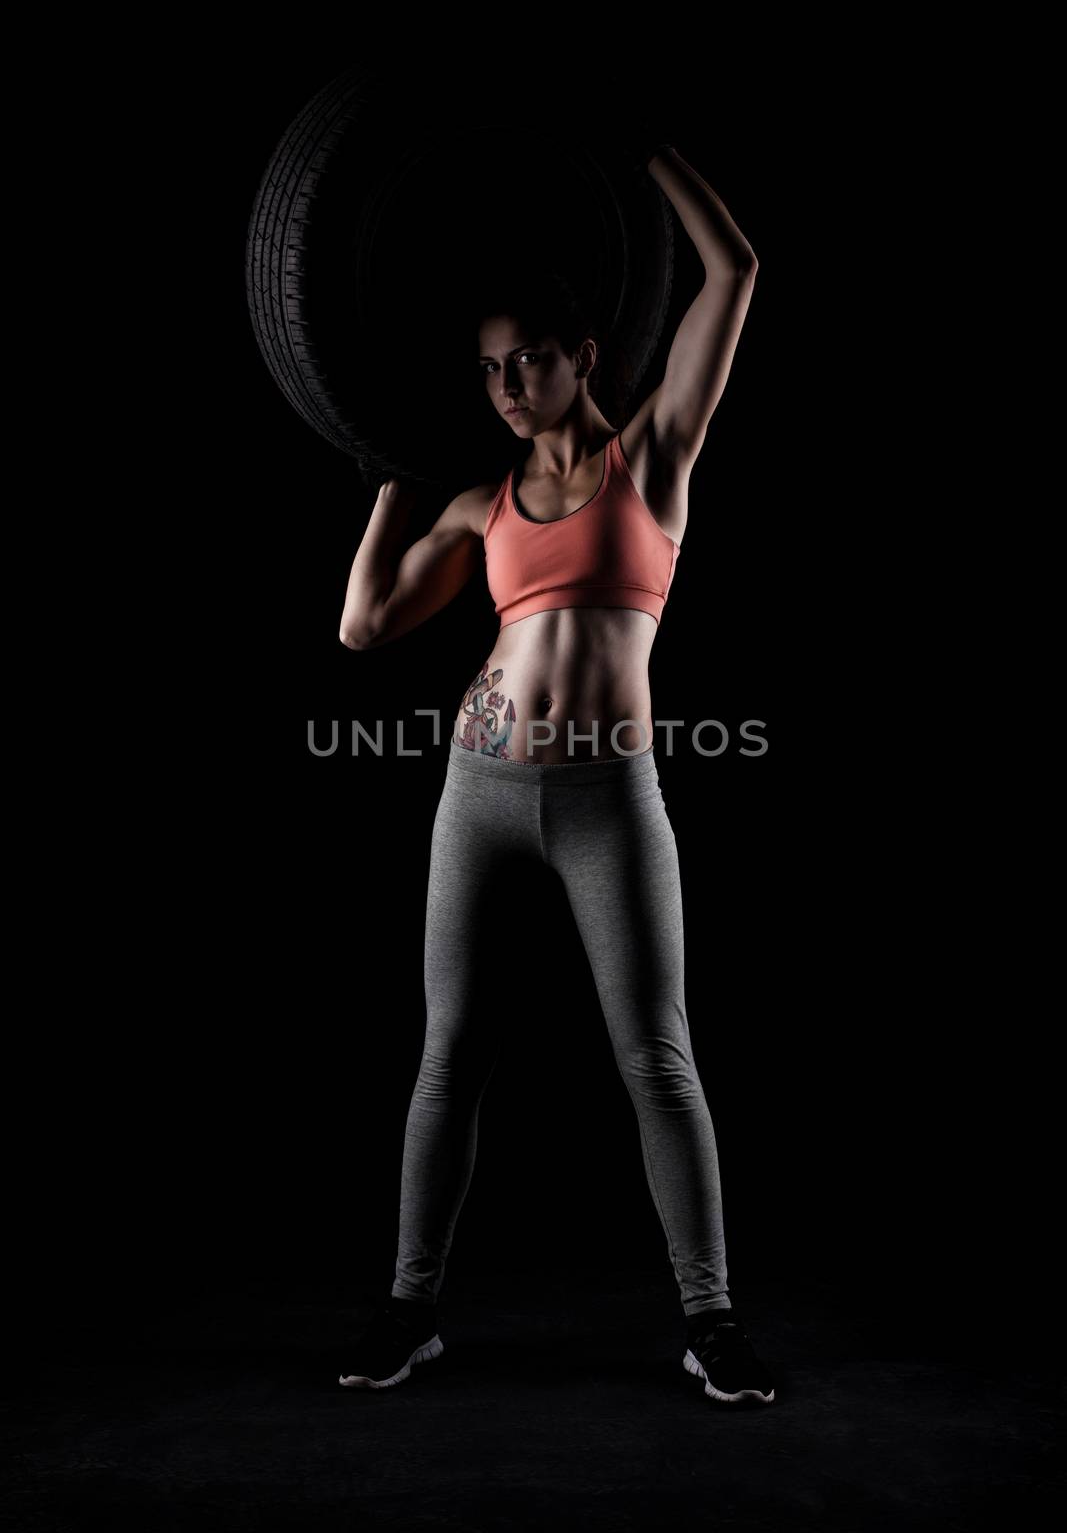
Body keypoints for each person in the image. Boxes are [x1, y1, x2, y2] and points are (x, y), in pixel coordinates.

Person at [336, 143, 774, 1406]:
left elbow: (733, 268)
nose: (506, 385)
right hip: (476, 789)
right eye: (487, 368)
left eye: (526, 356)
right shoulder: (478, 503)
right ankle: (407, 1311)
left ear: (584, 350)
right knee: (449, 1052)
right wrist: (384, 481)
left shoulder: (656, 460)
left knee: (656, 1056)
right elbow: (362, 628)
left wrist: (639, 142)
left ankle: (712, 1319)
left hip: (605, 798)